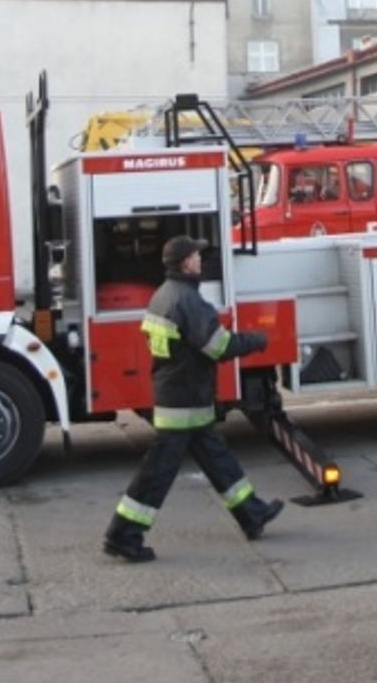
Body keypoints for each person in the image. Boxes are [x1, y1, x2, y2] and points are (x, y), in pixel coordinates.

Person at [103, 234, 284, 562]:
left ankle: (251, 513)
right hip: (183, 399)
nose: (201, 259)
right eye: (197, 256)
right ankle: (123, 534)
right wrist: (256, 341)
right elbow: (219, 347)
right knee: (157, 473)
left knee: (217, 458)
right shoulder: (188, 301)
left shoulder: (162, 295)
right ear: (186, 262)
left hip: (181, 394)